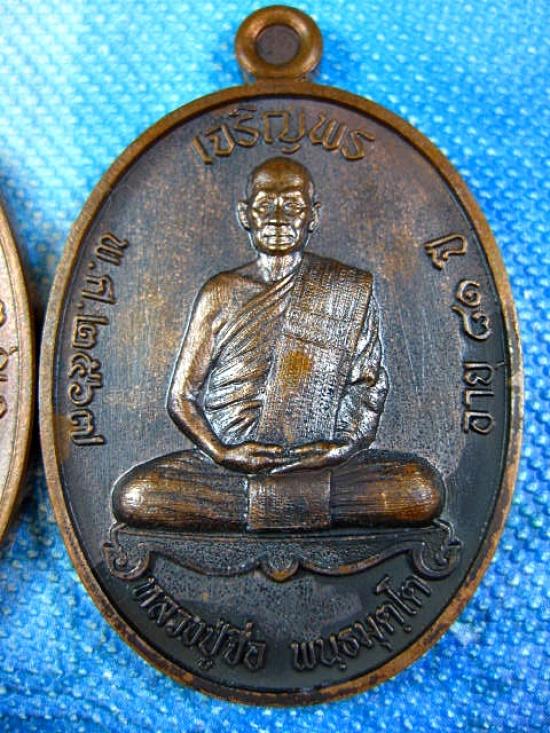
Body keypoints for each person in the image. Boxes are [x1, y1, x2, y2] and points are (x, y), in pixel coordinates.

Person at [112, 157, 443, 531]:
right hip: (232, 469)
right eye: (265, 205)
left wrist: (344, 447)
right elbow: (181, 397)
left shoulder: (345, 289)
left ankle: (264, 505)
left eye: (293, 206)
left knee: (420, 489)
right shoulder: (222, 292)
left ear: (313, 216)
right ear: (246, 215)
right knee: (137, 495)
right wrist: (222, 453)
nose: (278, 219)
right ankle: (291, 503)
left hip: (321, 465)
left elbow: (368, 384)